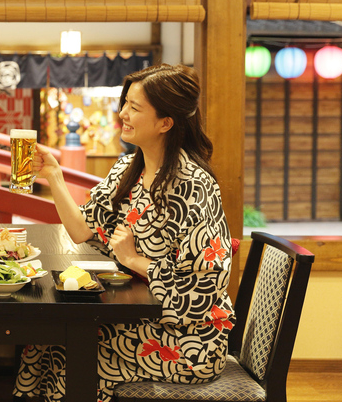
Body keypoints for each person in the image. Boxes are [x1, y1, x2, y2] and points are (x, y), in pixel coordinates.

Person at [13, 64, 234, 402]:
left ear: (165, 122)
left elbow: (207, 286)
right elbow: (79, 229)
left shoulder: (193, 186)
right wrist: (54, 175)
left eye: (134, 107)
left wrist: (132, 259)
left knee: (70, 351)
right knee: (48, 338)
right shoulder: (128, 170)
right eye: (125, 103)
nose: (122, 113)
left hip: (189, 341)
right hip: (148, 318)